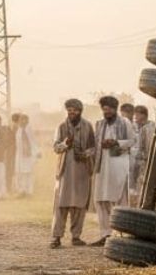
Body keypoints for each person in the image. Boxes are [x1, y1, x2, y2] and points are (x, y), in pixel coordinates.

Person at [90, 96, 134, 247]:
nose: (106, 112)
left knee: (119, 199)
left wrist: (116, 142)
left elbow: (132, 141)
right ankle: (105, 234)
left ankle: (122, 235)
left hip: (118, 165)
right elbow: (95, 144)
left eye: (109, 109)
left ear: (115, 109)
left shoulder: (125, 122)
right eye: (104, 109)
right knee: (100, 199)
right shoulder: (99, 124)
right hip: (102, 166)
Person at [50, 100, 94, 248]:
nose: (72, 113)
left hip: (82, 171)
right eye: (69, 110)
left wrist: (85, 154)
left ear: (80, 111)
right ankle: (56, 237)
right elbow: (55, 148)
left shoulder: (87, 126)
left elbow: (93, 147)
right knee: (61, 204)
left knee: (79, 205)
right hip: (65, 171)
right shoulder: (61, 126)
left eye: (75, 110)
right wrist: (65, 144)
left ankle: (76, 237)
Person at [130, 105, 156, 206]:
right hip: (146, 162)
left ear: (143, 115)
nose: (135, 118)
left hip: (148, 162)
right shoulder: (146, 127)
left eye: (136, 115)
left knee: (143, 186)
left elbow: (145, 149)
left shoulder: (148, 128)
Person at [13, 113, 38, 197]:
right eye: (21, 120)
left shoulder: (29, 129)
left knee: (28, 173)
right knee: (20, 173)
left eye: (24, 120)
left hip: (28, 155)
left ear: (27, 121)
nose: (22, 122)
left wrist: (36, 152)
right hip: (20, 155)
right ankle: (22, 191)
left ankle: (29, 191)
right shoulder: (19, 130)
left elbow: (34, 141)